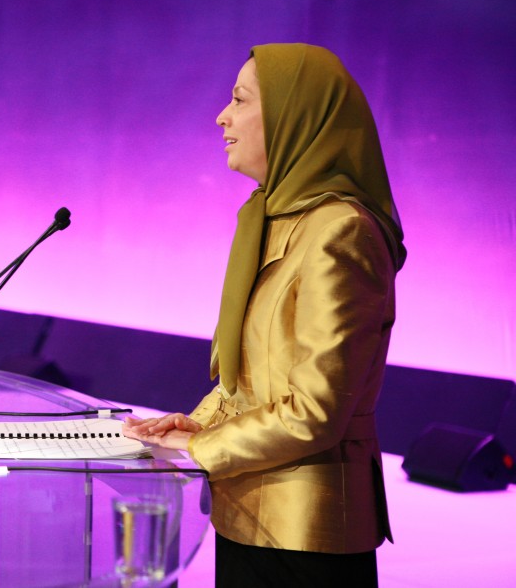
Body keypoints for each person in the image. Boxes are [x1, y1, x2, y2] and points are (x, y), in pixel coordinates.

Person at [123, 44, 405, 587]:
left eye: (239, 100)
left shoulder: (340, 230)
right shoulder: (273, 217)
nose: (221, 116)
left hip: (306, 535)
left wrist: (204, 447)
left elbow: (316, 411)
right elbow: (252, 377)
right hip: (248, 514)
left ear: (292, 115)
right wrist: (199, 421)